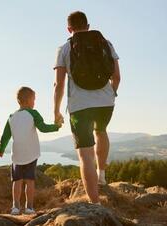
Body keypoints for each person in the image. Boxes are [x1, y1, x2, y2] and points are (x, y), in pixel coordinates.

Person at [53, 11, 121, 204]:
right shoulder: (106, 44)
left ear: (69, 28)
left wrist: (56, 110)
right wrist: (111, 93)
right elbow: (116, 77)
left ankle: (95, 204)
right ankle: (102, 175)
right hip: (106, 103)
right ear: (88, 26)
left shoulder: (65, 48)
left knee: (85, 154)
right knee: (101, 131)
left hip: (80, 106)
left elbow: (58, 84)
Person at [0, 87, 61, 215]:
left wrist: (1, 149)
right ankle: (29, 207)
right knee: (30, 181)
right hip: (31, 153)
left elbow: (5, 136)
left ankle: (15, 207)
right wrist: (56, 126)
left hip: (17, 155)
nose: (34, 102)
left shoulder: (11, 117)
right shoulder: (33, 113)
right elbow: (43, 128)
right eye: (34, 99)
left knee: (17, 181)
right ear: (29, 99)